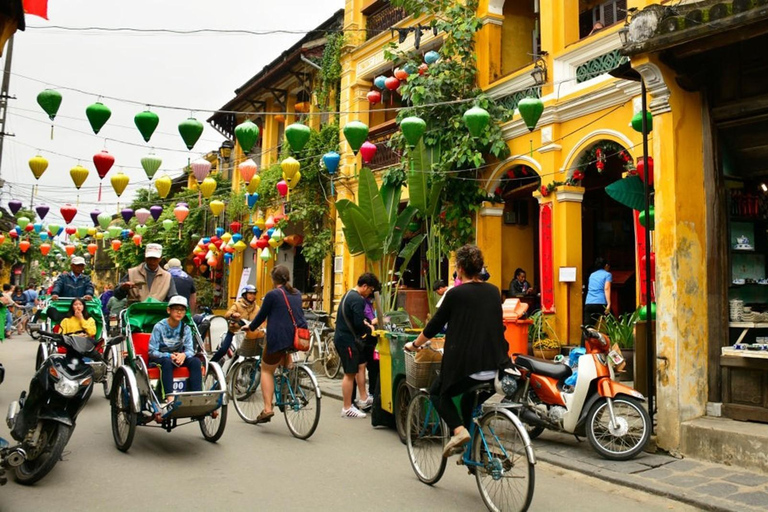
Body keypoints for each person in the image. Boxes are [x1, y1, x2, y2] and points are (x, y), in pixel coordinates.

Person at [405, 245, 510, 458]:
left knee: (437, 393)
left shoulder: (455, 294)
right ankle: (474, 455)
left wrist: (414, 345)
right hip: (497, 368)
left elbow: (433, 326)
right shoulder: (493, 291)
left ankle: (458, 431)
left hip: (466, 369)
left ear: (460, 268)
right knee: (467, 403)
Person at [243, 265, 307, 424]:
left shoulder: (272, 295)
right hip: (296, 338)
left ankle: (267, 408)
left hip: (278, 338)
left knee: (266, 370)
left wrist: (250, 327)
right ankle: (289, 387)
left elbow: (261, 316)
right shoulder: (297, 293)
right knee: (286, 362)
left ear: (273, 279)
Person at [334, 272, 379, 419]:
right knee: (349, 373)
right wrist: (369, 330)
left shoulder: (348, 295)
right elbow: (358, 324)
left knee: (360, 365)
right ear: (364, 286)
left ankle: (363, 398)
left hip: (344, 338)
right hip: (347, 340)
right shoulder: (357, 299)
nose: (370, 293)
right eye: (370, 289)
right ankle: (347, 407)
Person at [148, 295, 202, 402]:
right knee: (167, 363)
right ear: (169, 310)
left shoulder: (185, 328)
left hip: (178, 357)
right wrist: (169, 355)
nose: (179, 313)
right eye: (176, 309)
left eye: (182, 310)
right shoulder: (159, 327)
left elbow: (190, 349)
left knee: (195, 361)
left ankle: (196, 396)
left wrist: (184, 355)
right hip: (162, 358)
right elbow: (152, 351)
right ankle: (169, 397)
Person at [211, 284, 264, 363]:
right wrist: (233, 314)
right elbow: (227, 314)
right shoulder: (237, 304)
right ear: (245, 295)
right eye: (250, 293)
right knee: (223, 349)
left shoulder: (257, 308)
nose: (252, 296)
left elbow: (261, 319)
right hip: (234, 332)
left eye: (254, 294)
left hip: (249, 333)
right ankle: (212, 363)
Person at [113, 243, 177, 303]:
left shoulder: (167, 276)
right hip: (135, 312)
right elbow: (117, 296)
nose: (152, 261)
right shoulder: (132, 273)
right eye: (149, 258)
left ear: (160, 258)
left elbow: (172, 297)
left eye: (155, 259)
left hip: (158, 313)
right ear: (145, 257)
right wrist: (122, 288)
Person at [584, 257, 612, 328]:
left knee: (587, 327)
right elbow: (606, 288)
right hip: (601, 303)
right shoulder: (607, 275)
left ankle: (584, 339)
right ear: (606, 265)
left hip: (589, 302)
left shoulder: (592, 275)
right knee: (612, 324)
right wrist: (609, 304)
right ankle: (612, 339)